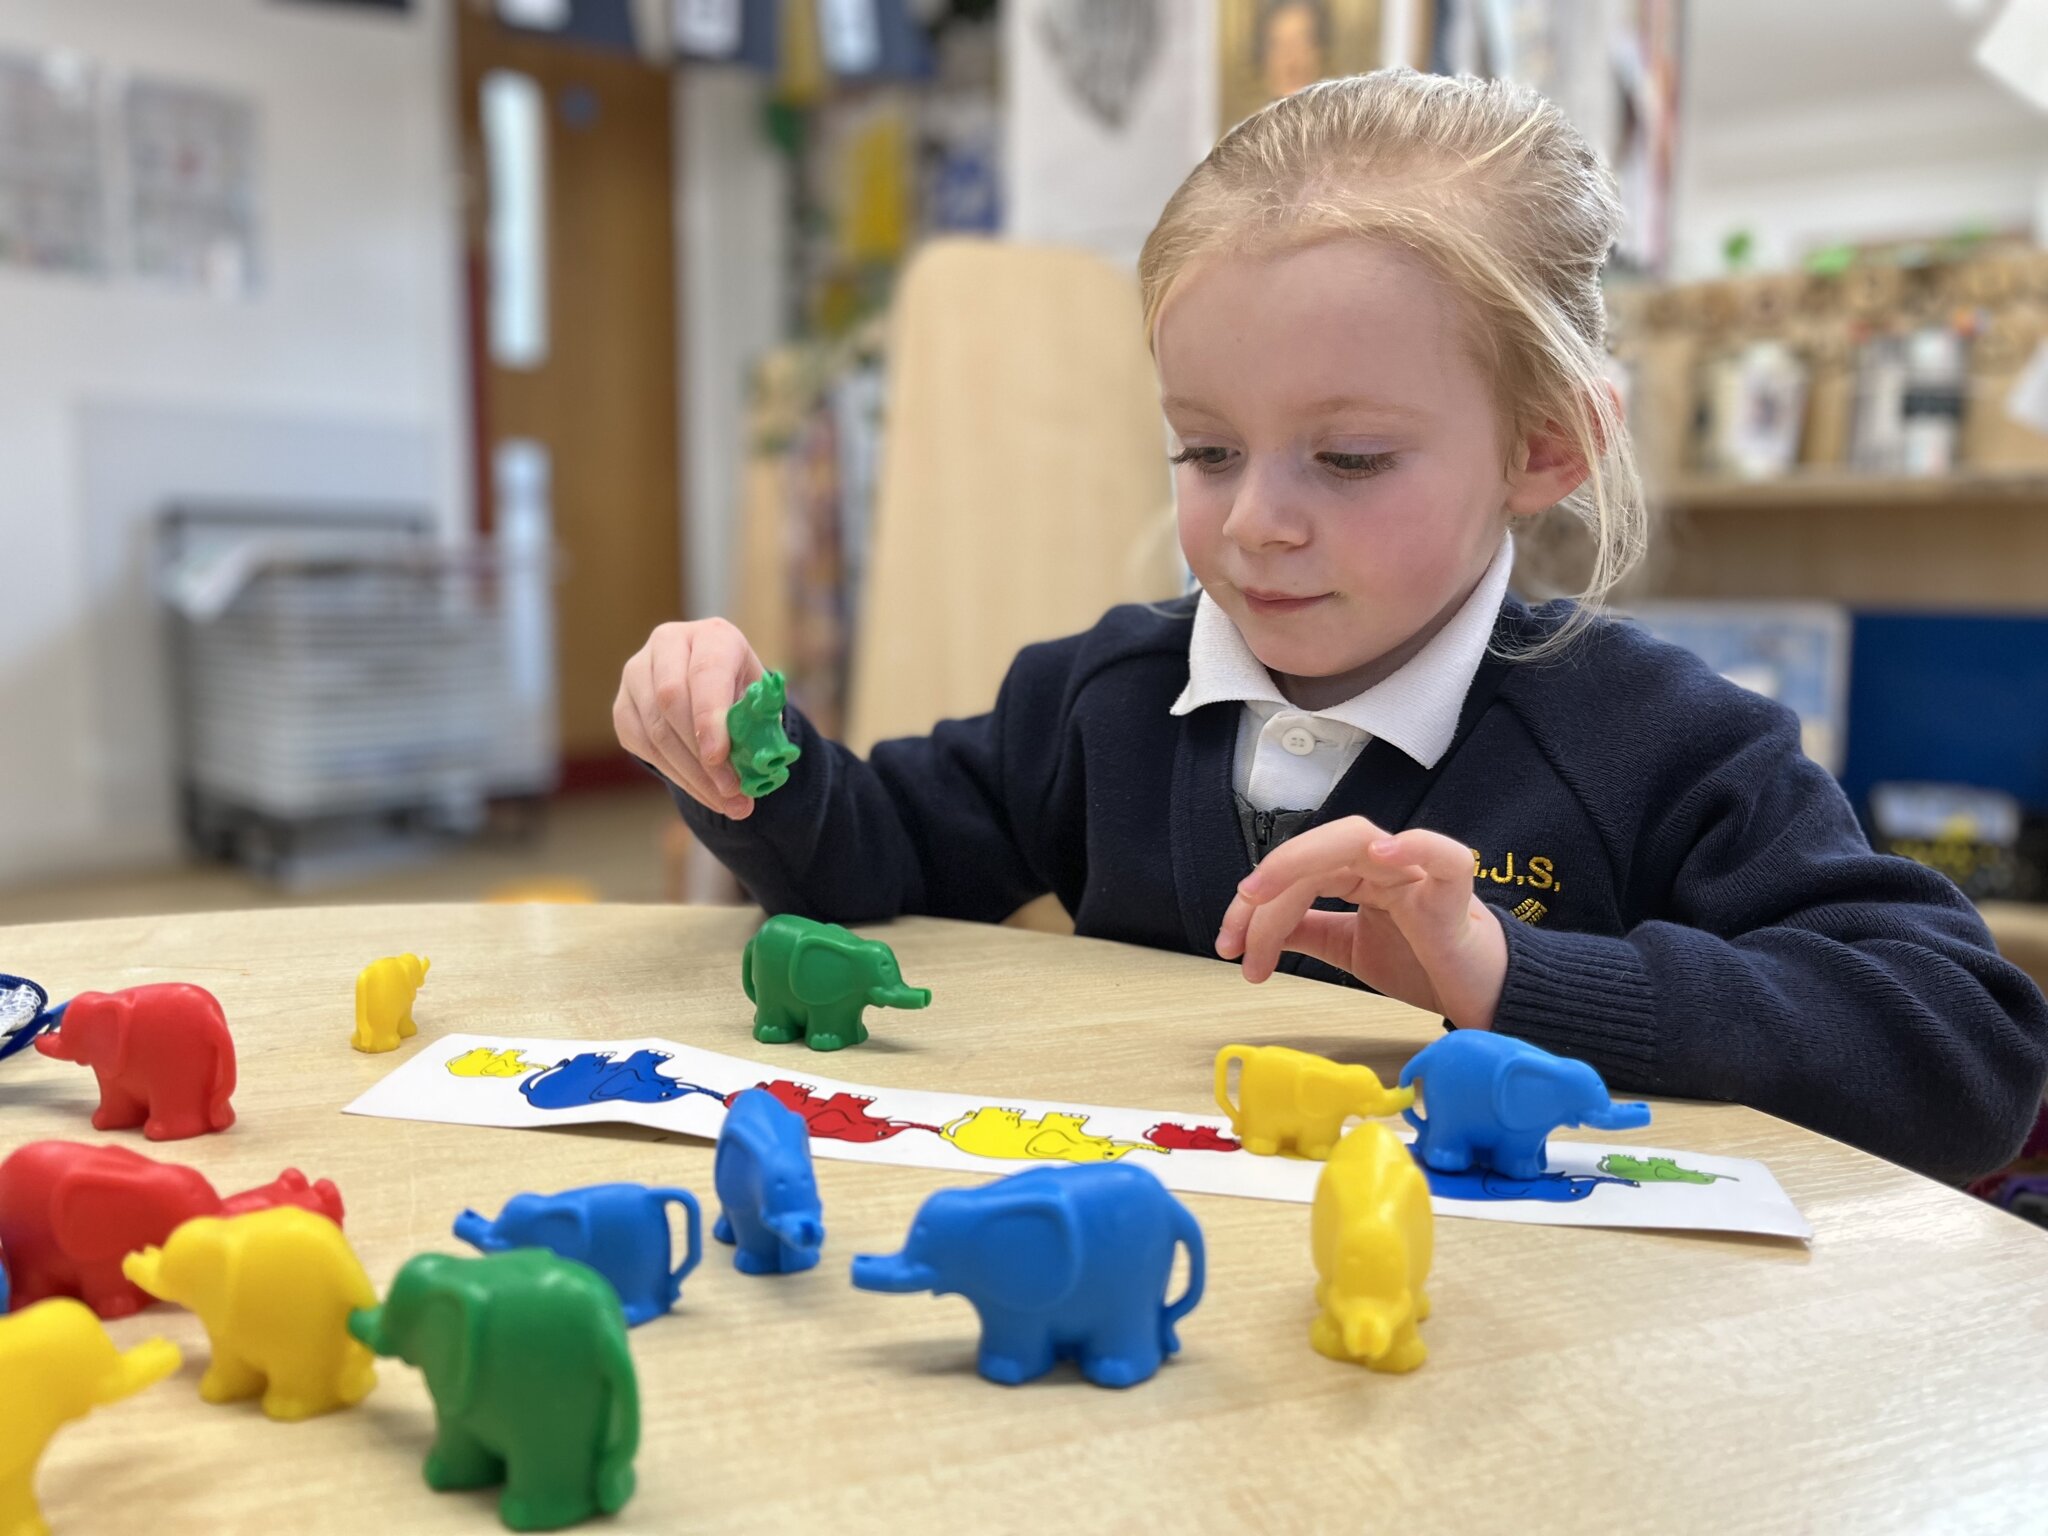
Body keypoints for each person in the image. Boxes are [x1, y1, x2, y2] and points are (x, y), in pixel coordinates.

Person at [615, 70, 2047, 1183]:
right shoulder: (1104, 698)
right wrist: (748, 753)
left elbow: (1969, 1053)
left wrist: (1515, 976)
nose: (1255, 526)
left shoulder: (1659, 740)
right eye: (1206, 451)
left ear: (1545, 447)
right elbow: (879, 861)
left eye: (1348, 460)